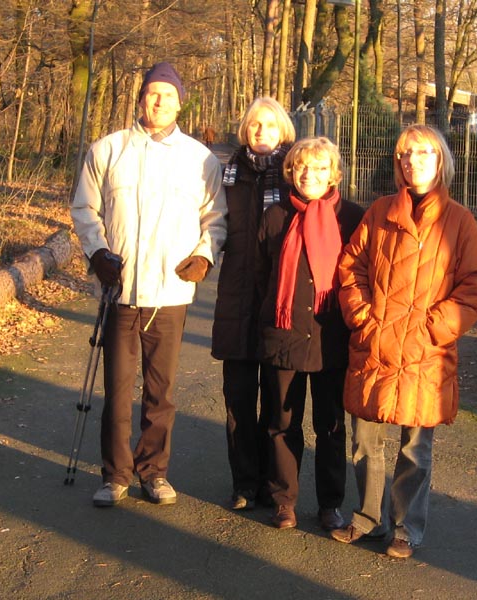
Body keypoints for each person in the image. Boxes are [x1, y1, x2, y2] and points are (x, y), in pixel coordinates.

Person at [330, 124, 477, 557]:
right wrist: (363, 319)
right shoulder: (379, 212)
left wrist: (434, 329)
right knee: (365, 441)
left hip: (426, 352)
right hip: (375, 345)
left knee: (416, 449)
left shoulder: (459, 221)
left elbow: (476, 284)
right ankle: (367, 519)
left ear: (440, 160)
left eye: (422, 153)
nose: (412, 161)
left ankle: (406, 528)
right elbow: (351, 268)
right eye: (405, 154)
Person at [71, 62, 227, 508]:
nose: (160, 102)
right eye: (153, 93)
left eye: (168, 95)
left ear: (180, 103)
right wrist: (97, 253)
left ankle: (154, 473)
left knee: (161, 392)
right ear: (141, 99)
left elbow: (216, 217)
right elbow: (84, 209)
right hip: (120, 291)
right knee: (118, 390)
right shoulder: (107, 150)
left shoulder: (200, 159)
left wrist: (204, 255)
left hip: (170, 292)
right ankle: (115, 475)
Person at [255, 137, 365, 531]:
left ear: (334, 174)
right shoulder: (275, 216)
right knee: (281, 422)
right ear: (290, 171)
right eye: (302, 166)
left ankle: (330, 504)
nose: (310, 174)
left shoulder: (353, 218)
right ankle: (283, 500)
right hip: (283, 335)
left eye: (320, 167)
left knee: (330, 426)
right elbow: (261, 277)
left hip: (331, 337)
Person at [212, 97, 296, 511]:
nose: (261, 131)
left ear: (283, 131)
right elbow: (209, 222)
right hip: (236, 298)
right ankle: (245, 483)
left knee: (279, 403)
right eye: (254, 125)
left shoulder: (296, 175)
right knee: (239, 399)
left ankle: (275, 486)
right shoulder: (227, 175)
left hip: (280, 301)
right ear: (245, 130)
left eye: (270, 125)